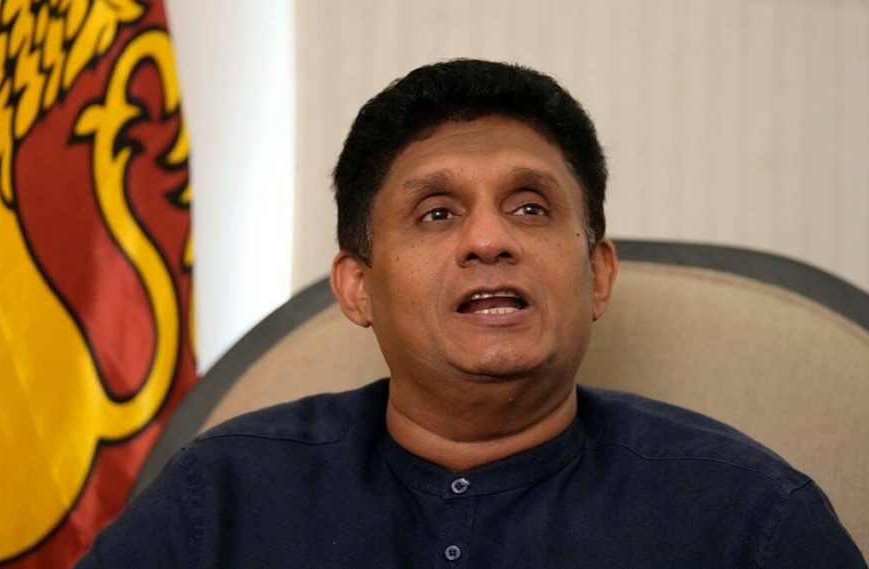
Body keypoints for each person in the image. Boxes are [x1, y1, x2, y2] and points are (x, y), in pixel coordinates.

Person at [78, 59, 865, 567]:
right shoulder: (222, 500)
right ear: (357, 286)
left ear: (597, 275)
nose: (489, 239)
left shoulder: (750, 521)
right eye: (437, 213)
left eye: (530, 207)